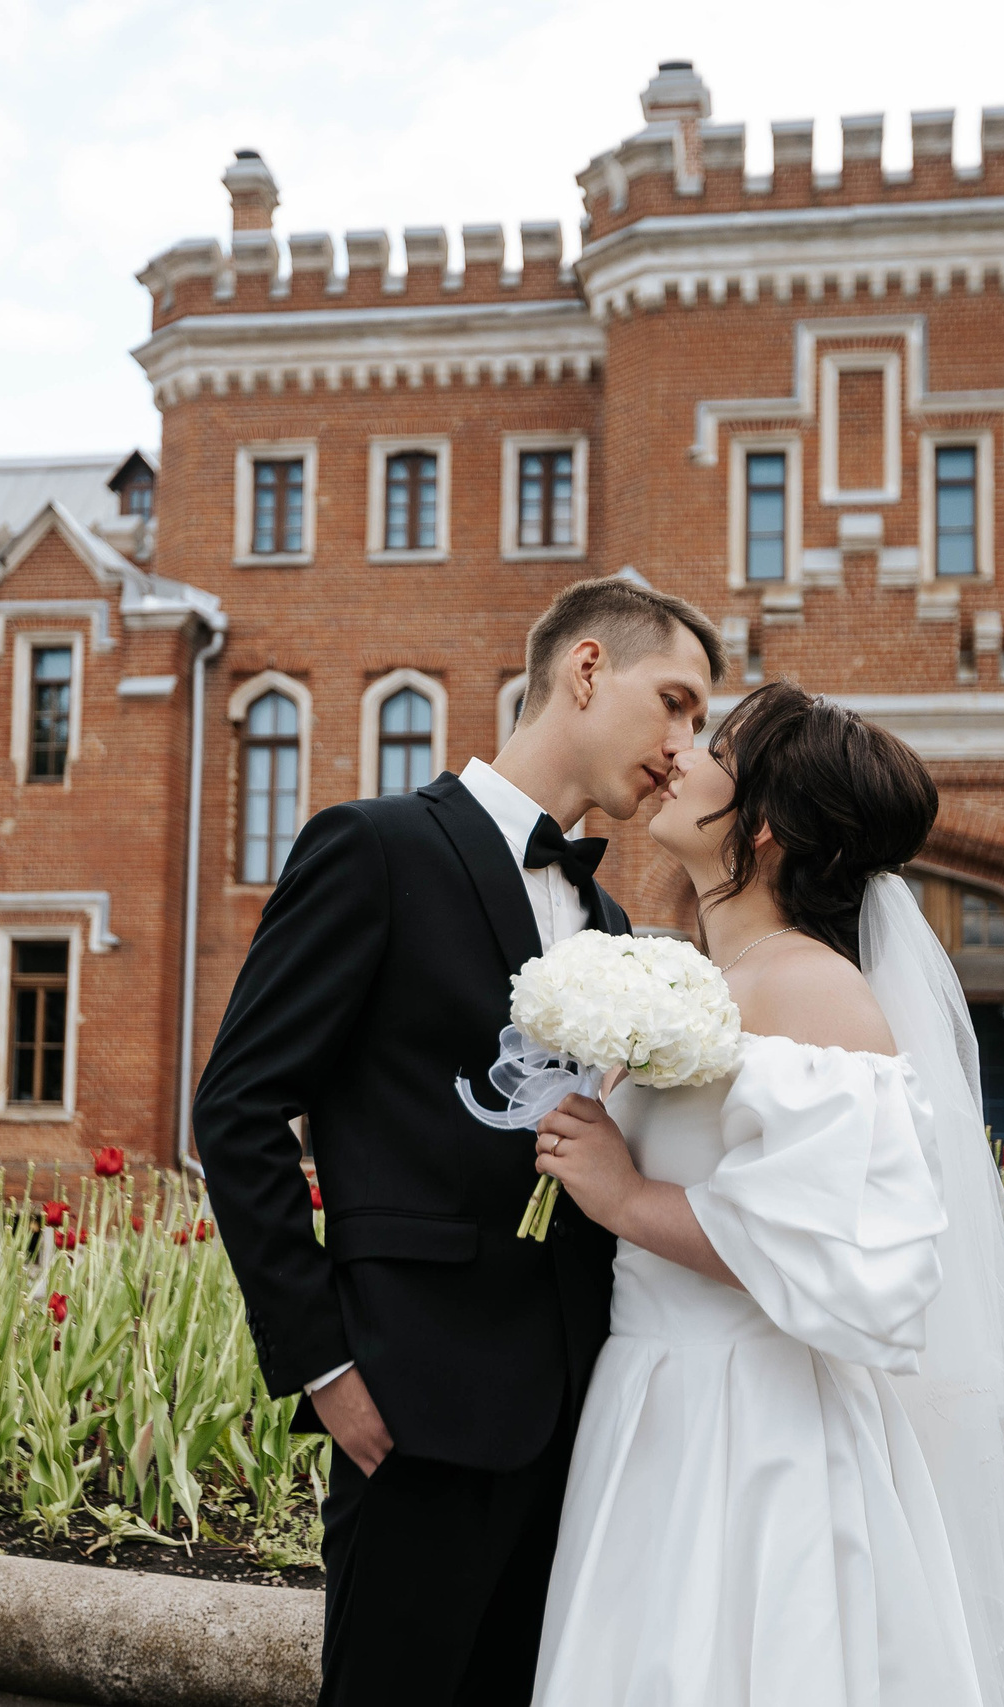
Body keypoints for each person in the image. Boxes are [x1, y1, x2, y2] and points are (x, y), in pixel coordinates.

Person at [193, 577, 725, 1707]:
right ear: (588, 669)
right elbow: (237, 1108)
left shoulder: (613, 926)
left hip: (579, 1427)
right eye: (674, 703)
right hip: (412, 1412)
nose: (685, 746)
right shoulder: (373, 847)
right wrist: (326, 1368)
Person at [528, 682, 1004, 1707]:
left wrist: (625, 1199)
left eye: (715, 750)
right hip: (655, 1397)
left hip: (749, 1426)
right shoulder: (712, 976)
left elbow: (833, 1249)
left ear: (763, 823)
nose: (679, 756)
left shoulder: (812, 986)